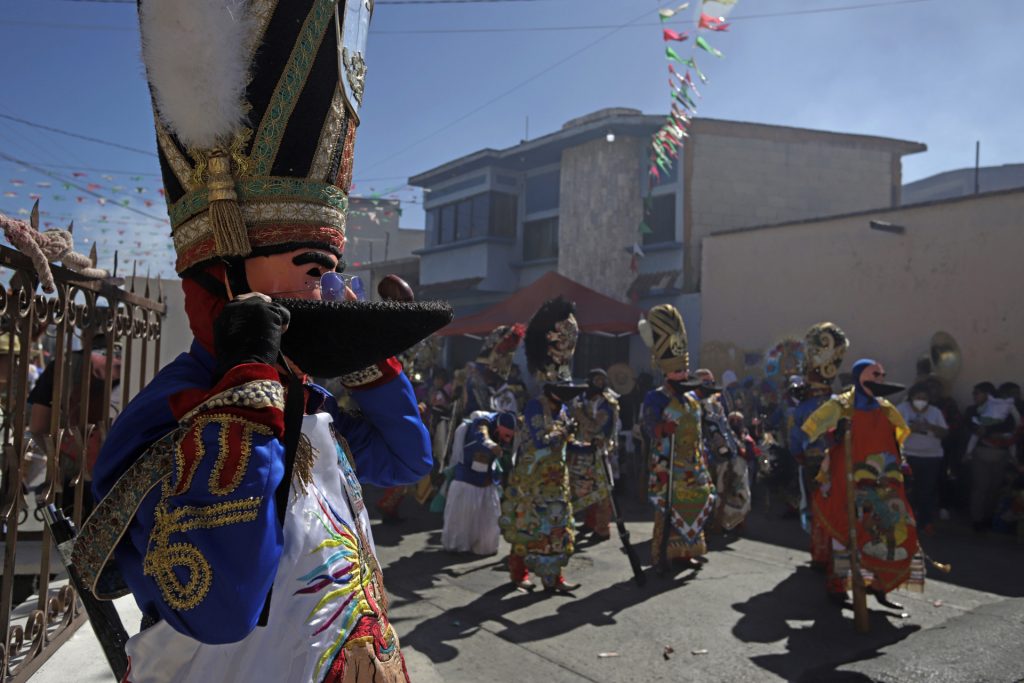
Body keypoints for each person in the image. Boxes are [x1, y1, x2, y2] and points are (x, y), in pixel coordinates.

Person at [70, 3, 453, 681]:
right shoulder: (172, 416)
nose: (324, 284)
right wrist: (246, 384)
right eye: (310, 266)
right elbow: (220, 603)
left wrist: (347, 340)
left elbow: (407, 454)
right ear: (227, 261)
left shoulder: (307, 404)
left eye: (330, 273)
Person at [803, 359, 923, 607]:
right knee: (844, 536)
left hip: (885, 482)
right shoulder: (839, 406)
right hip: (845, 481)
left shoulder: (887, 408)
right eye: (874, 374)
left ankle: (880, 585)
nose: (879, 379)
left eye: (882, 374)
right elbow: (808, 434)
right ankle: (837, 587)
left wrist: (903, 465)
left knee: (893, 534)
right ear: (859, 377)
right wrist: (833, 435)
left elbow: (898, 442)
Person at [499, 297, 583, 593]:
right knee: (529, 527)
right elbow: (540, 441)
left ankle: (554, 577)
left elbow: (564, 438)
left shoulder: (562, 409)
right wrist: (564, 434)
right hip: (532, 479)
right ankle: (518, 572)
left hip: (556, 479)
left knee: (558, 527)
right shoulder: (536, 407)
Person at [639, 304, 714, 571]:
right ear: (666, 370)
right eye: (678, 371)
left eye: (684, 370)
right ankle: (661, 555)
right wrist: (662, 428)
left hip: (692, 464)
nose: (683, 375)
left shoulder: (693, 397)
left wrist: (704, 457)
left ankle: (686, 551)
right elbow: (648, 426)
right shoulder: (656, 397)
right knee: (667, 511)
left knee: (692, 507)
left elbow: (700, 430)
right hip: (667, 464)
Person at [791, 322, 850, 572]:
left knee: (817, 507)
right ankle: (836, 552)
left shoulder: (803, 408)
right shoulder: (840, 404)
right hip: (838, 462)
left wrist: (800, 456)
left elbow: (796, 438)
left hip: (813, 462)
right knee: (836, 505)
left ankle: (820, 554)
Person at [442, 411, 516, 555]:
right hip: (467, 480)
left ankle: (481, 545)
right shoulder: (483, 422)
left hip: (487, 481)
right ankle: (460, 546)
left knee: (487, 521)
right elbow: (482, 434)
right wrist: (491, 445)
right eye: (506, 435)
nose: (507, 440)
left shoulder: (503, 424)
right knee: (463, 519)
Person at [567, 369, 619, 541]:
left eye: (601, 380)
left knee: (602, 491)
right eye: (595, 380)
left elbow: (596, 427)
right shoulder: (582, 398)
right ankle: (590, 522)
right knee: (582, 487)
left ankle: (602, 528)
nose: (599, 384)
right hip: (579, 450)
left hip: (598, 452)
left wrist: (579, 415)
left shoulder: (607, 402)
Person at [695, 369, 749, 532]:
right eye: (704, 382)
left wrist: (737, 443)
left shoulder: (716, 404)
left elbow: (724, 427)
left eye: (710, 382)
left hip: (723, 451)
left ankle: (732, 518)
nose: (708, 386)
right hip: (700, 452)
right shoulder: (690, 404)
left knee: (738, 471)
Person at [963, 381, 1019, 532]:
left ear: (988, 394)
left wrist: (988, 431)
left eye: (977, 393)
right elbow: (971, 425)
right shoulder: (972, 410)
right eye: (973, 394)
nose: (974, 396)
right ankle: (977, 519)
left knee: (994, 488)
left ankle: (988, 518)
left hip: (1001, 453)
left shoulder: (1005, 409)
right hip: (981, 452)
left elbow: (1011, 427)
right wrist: (987, 432)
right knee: (980, 487)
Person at [897, 385, 949, 535]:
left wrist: (931, 426)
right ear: (911, 397)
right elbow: (892, 430)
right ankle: (905, 522)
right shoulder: (902, 409)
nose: (921, 401)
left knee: (926, 491)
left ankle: (926, 522)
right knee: (906, 490)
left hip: (931, 457)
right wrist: (910, 428)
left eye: (925, 398)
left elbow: (945, 432)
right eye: (918, 398)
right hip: (907, 455)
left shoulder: (935, 412)